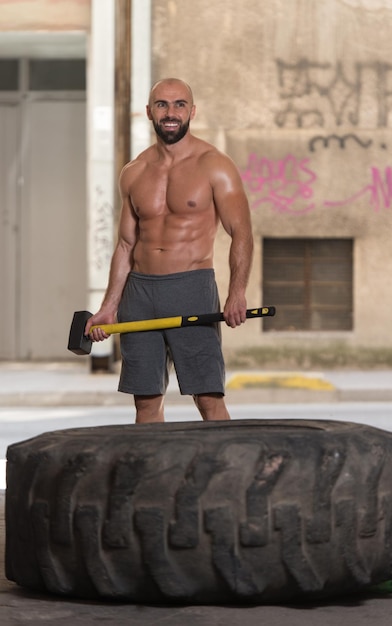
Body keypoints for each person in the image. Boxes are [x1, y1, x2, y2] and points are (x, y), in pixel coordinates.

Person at [85, 78, 253, 423]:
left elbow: (242, 233)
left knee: (207, 397)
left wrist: (237, 293)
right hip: (140, 293)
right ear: (149, 112)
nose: (170, 112)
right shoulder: (133, 172)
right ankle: (153, 477)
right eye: (162, 104)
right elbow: (125, 245)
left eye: (179, 105)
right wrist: (107, 307)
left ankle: (226, 477)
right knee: (146, 402)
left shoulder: (214, 165)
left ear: (192, 111)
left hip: (191, 287)